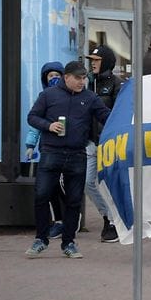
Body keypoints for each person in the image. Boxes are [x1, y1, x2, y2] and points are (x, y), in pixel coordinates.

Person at [25, 61, 111, 258]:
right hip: (51, 152)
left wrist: (127, 117)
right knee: (42, 195)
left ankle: (69, 243)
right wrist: (48, 126)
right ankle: (41, 238)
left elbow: (106, 116)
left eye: (84, 78)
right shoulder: (48, 95)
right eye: (78, 78)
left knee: (74, 201)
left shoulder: (90, 98)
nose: (82, 82)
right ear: (67, 77)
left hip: (77, 154)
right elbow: (32, 117)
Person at [84, 45, 123, 243]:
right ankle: (108, 216)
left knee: (109, 185)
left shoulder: (116, 84)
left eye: (97, 60)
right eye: (91, 60)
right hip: (90, 142)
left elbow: (119, 115)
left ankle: (115, 223)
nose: (93, 63)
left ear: (106, 61)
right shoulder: (87, 84)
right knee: (88, 183)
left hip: (109, 143)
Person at [25, 63, 68, 240]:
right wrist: (30, 145)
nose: (54, 78)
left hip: (68, 150)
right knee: (50, 188)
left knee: (65, 186)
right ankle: (59, 220)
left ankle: (69, 218)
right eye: (50, 76)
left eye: (57, 75)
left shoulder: (71, 96)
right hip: (48, 149)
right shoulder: (43, 97)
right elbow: (35, 124)